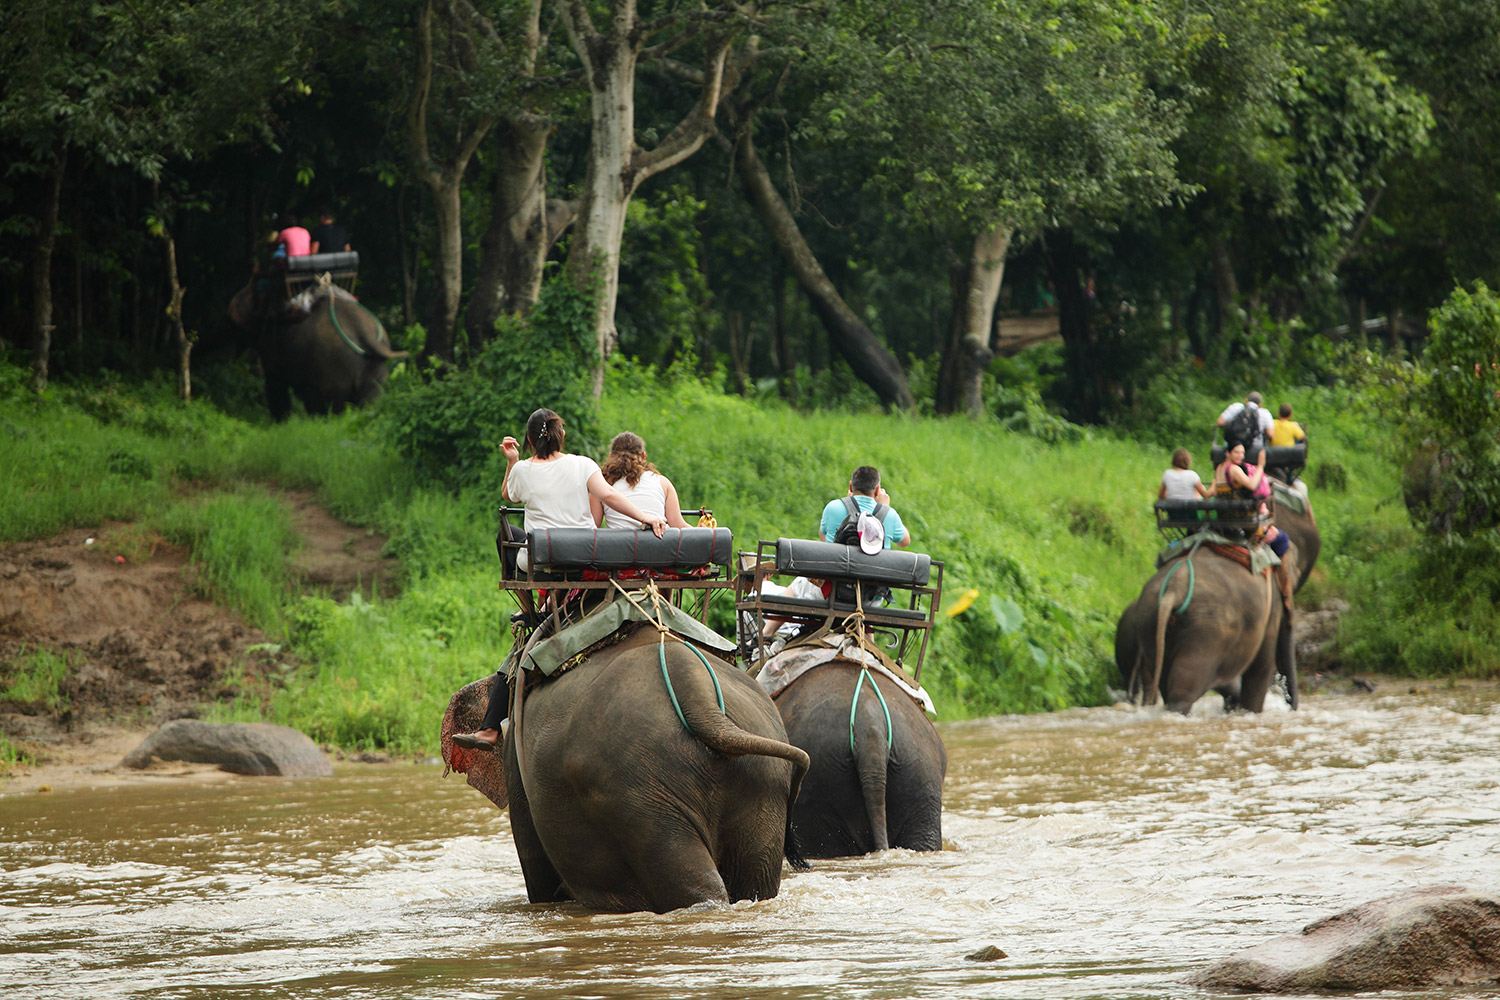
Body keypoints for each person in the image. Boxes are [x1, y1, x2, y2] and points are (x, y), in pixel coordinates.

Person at [453, 409, 668, 753]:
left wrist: (511, 460)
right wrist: (646, 517)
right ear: (561, 436)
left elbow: (508, 495)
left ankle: (492, 723)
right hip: (584, 560)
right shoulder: (583, 464)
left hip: (545, 562)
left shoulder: (523, 470)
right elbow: (611, 498)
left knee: (506, 536)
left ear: (527, 440)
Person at [1214, 442, 1294, 611]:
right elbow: (1251, 485)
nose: (1240, 456)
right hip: (1240, 521)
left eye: (1242, 453)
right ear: (1228, 453)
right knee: (1281, 540)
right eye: (1237, 452)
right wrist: (1260, 466)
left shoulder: (1220, 468)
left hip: (1225, 518)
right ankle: (1286, 595)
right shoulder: (1233, 469)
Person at [599, 432, 691, 529]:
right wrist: (702, 532)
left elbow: (592, 528)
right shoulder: (663, 483)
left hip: (620, 543)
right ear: (643, 456)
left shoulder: (601, 485)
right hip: (658, 542)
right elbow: (679, 525)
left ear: (611, 456)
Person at [819, 466, 911, 550]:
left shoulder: (832, 507)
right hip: (874, 568)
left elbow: (823, 535)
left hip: (836, 567)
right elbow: (905, 541)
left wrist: (848, 503)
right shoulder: (890, 515)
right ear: (877, 489)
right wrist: (885, 508)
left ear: (851, 486)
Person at [1217, 391, 1273, 456]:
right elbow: (1270, 434)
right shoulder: (1265, 413)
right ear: (1260, 404)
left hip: (1233, 447)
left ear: (1246, 400)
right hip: (1254, 449)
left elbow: (1219, 422)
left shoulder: (1236, 407)